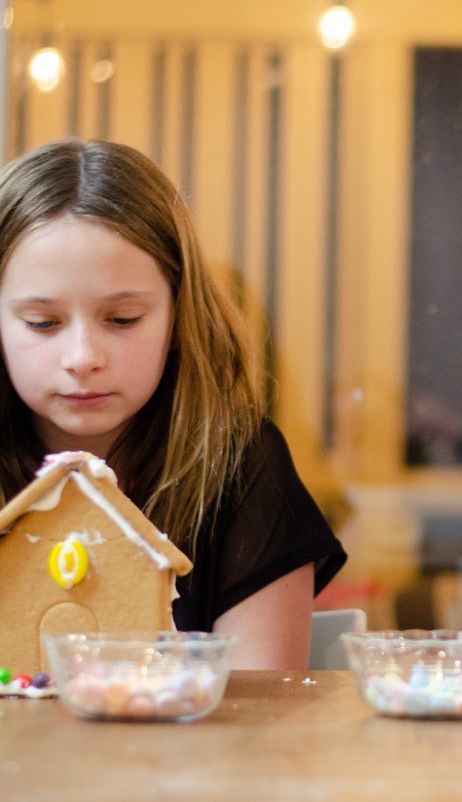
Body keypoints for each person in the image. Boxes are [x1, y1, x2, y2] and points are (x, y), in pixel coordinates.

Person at [0, 138, 347, 668]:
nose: (83, 357)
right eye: (42, 323)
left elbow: (260, 706)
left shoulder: (239, 468)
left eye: (122, 320)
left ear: (180, 315)